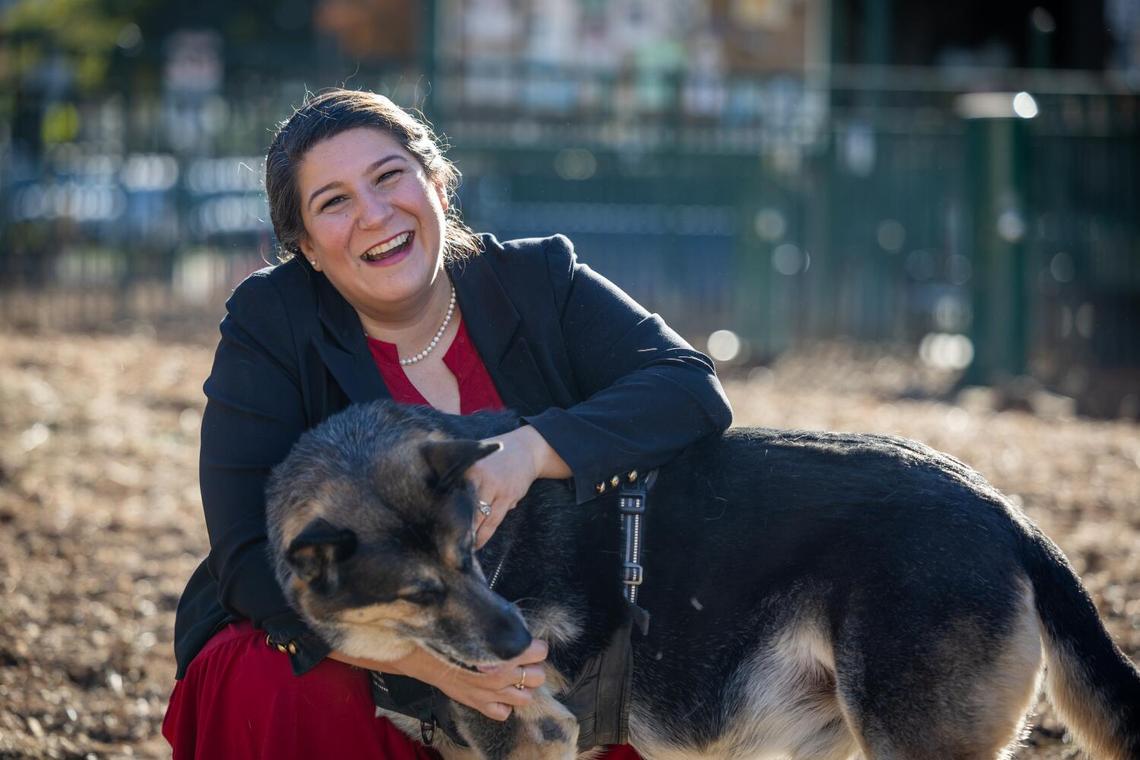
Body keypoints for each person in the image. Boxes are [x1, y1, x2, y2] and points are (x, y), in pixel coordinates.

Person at [162, 87, 732, 759]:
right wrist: (429, 664)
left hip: (546, 632)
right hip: (374, 645)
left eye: (388, 177)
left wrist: (531, 450)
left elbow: (688, 388)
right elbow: (246, 558)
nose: (374, 214)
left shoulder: (539, 277)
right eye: (334, 202)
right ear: (308, 248)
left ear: (437, 182)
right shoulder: (271, 321)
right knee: (271, 676)